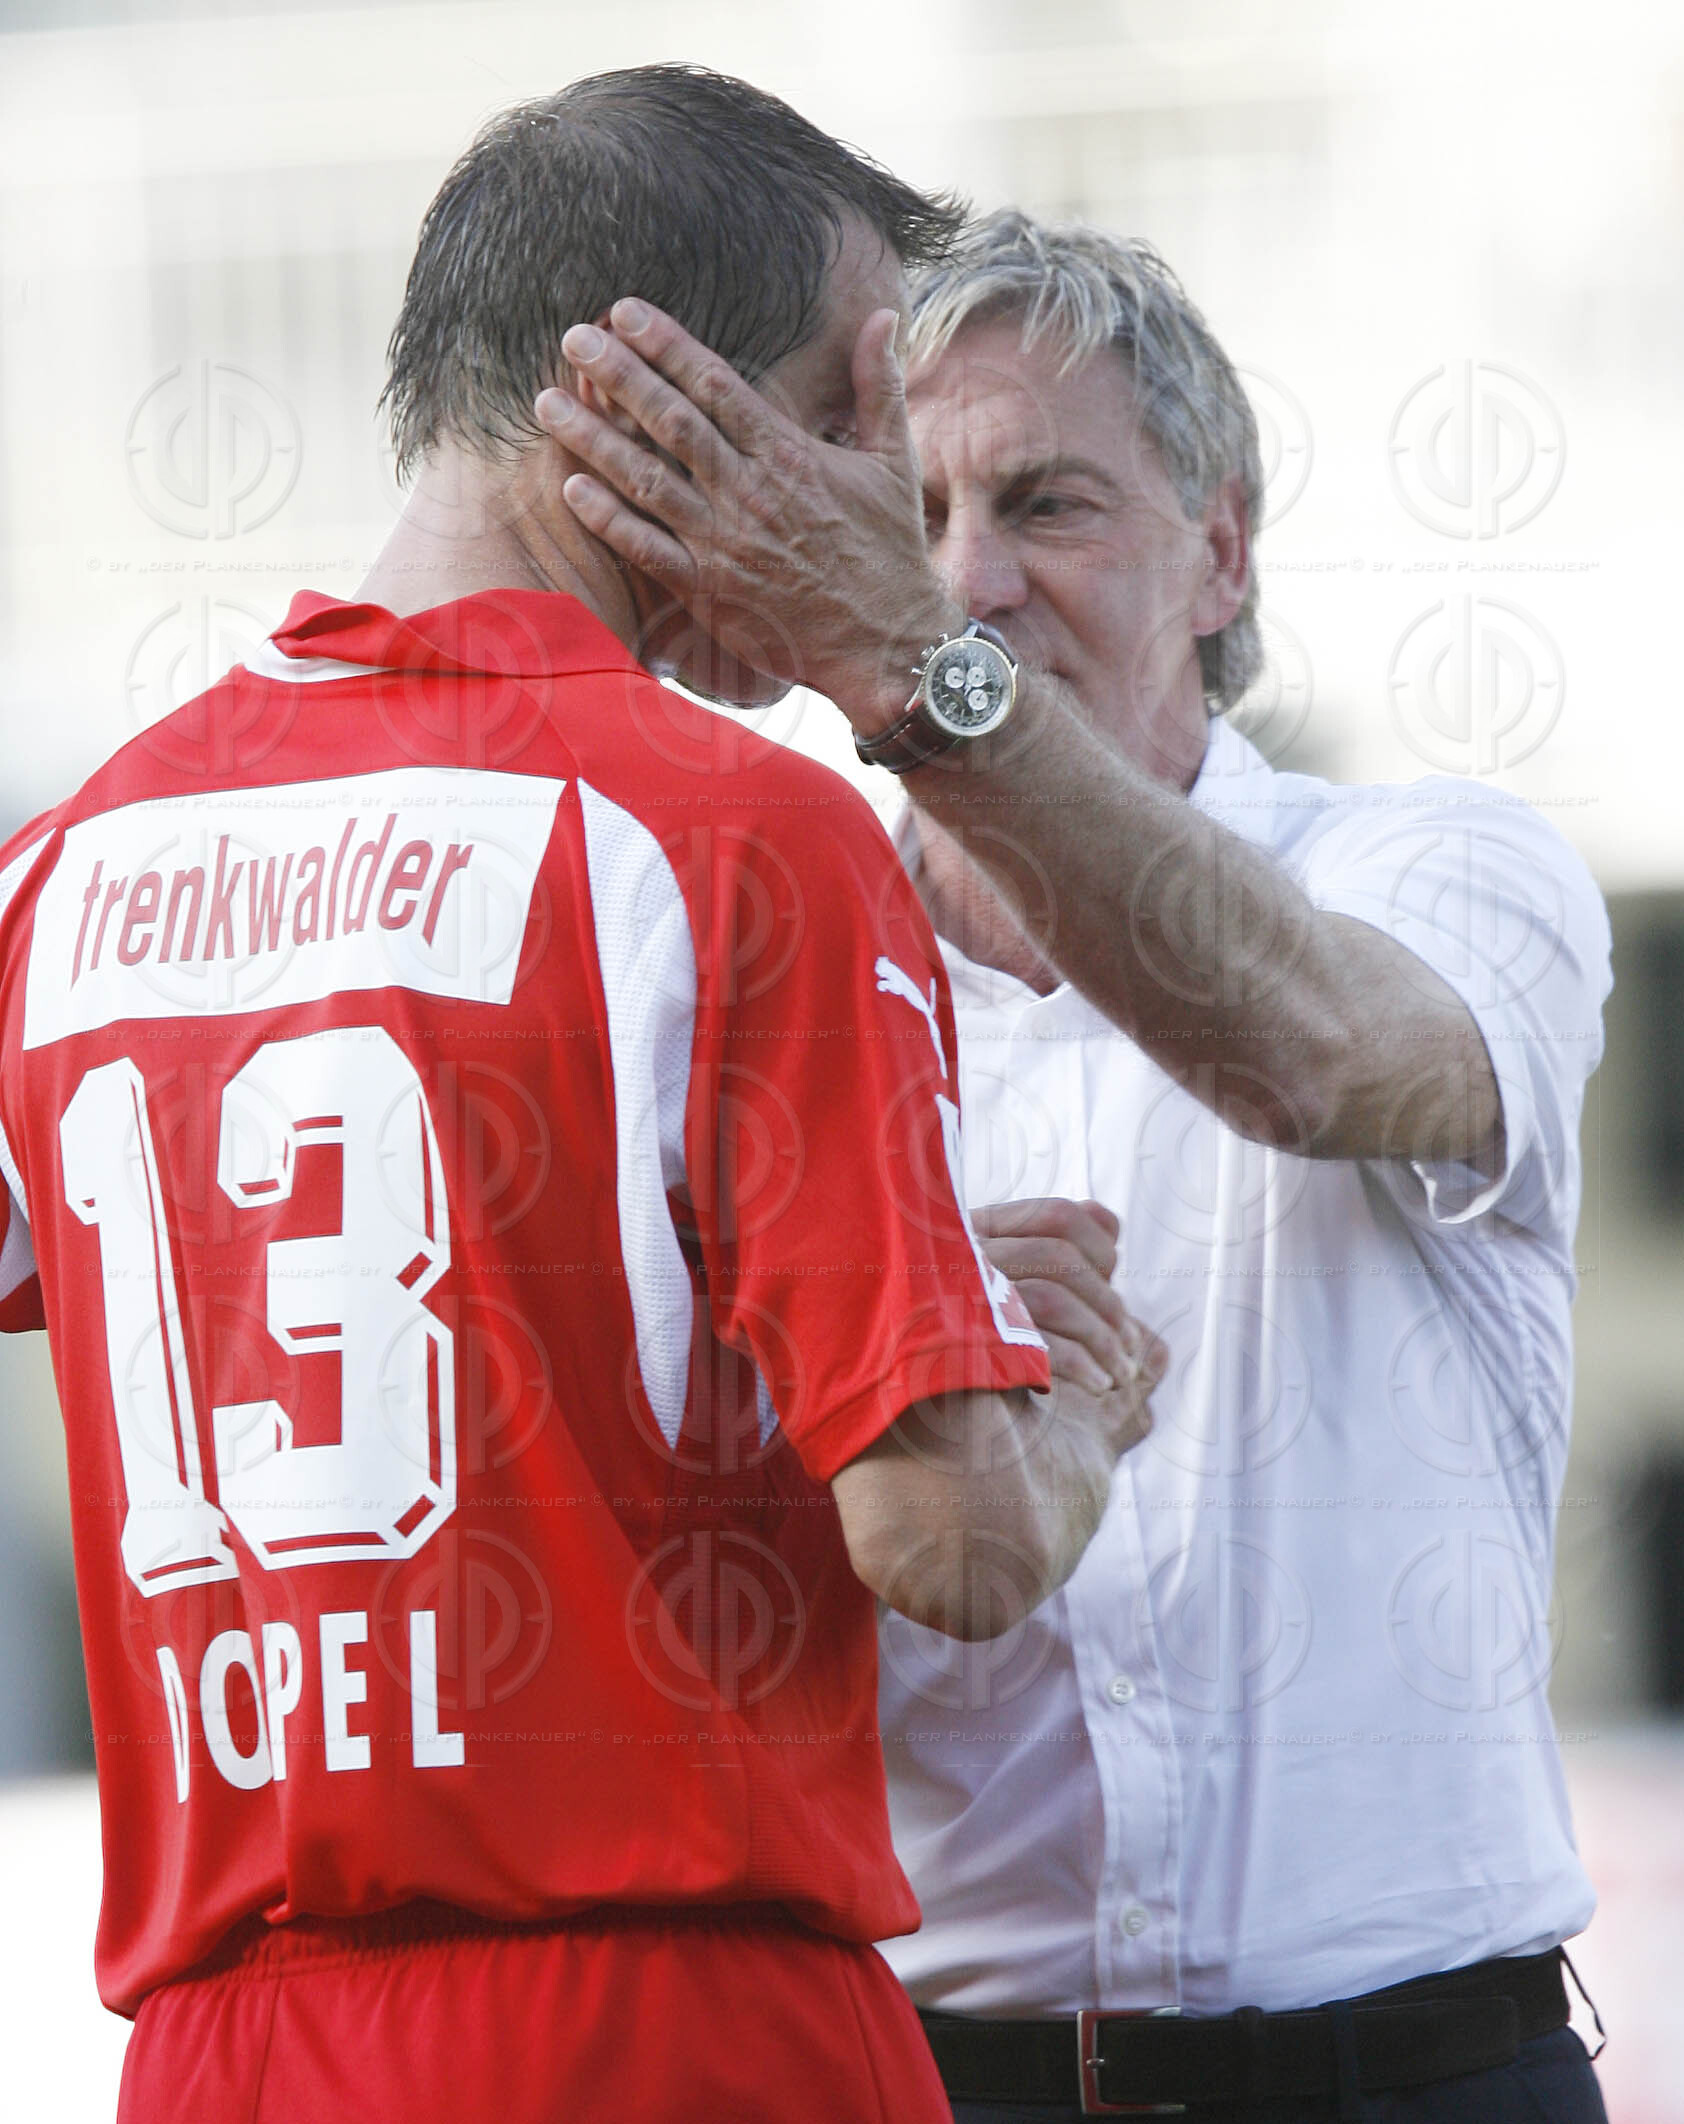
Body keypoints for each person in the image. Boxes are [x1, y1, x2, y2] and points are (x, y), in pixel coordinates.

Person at [0, 91, 1169, 2124]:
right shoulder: (736, 832)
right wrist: (1061, 1402)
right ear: (663, 409)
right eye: (847, 425)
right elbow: (951, 1542)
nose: (879, 526)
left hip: (217, 2048)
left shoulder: (70, 864)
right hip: (666, 2024)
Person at [536, 209, 1614, 2120]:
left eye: (1045, 503)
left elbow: (1312, 1052)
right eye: (913, 515)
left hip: (1420, 2070)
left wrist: (902, 664)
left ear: (1224, 543)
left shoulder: (1442, 866)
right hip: (936, 2074)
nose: (970, 581)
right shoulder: (741, 974)